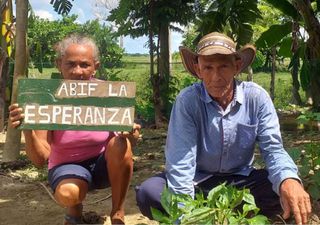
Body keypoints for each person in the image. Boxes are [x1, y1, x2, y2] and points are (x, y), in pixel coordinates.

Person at [135, 32, 311, 224]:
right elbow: (181, 163)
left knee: (288, 186)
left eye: (223, 67)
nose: (216, 77)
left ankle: (224, 214)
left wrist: (288, 181)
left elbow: (273, 149)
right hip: (197, 183)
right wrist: (186, 217)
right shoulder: (188, 101)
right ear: (198, 69)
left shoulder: (257, 98)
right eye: (208, 68)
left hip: (242, 182)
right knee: (149, 192)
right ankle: (212, 215)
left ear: (236, 66)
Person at [9, 34, 141, 225]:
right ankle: (74, 209)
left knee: (121, 144)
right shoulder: (46, 98)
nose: (78, 71)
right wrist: (27, 128)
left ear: (95, 66)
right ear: (59, 64)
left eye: (85, 65)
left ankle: (117, 213)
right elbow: (39, 159)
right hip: (66, 167)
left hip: (104, 165)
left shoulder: (110, 93)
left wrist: (132, 135)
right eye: (70, 64)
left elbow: (128, 143)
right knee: (69, 194)